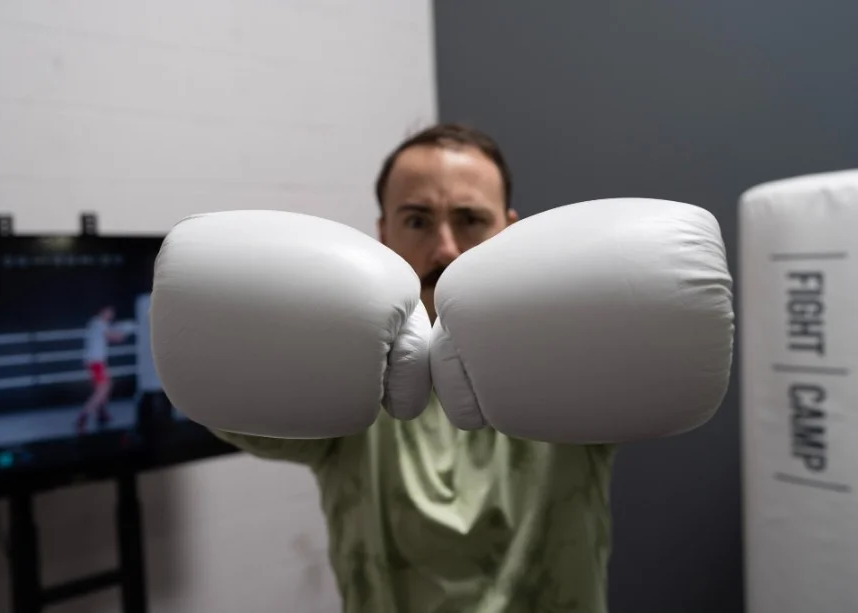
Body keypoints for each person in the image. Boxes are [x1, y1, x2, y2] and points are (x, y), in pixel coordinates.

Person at [215, 124, 616, 612]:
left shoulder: (571, 359)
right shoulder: (346, 372)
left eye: (470, 219)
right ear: (383, 234)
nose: (445, 249)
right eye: (418, 221)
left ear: (509, 231)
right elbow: (227, 408)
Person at [77, 305, 126, 432]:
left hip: (95, 362)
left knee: (103, 387)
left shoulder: (95, 323)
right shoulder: (99, 323)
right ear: (103, 311)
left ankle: (102, 414)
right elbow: (114, 337)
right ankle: (84, 415)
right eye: (109, 313)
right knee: (103, 389)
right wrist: (125, 331)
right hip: (96, 362)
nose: (110, 316)